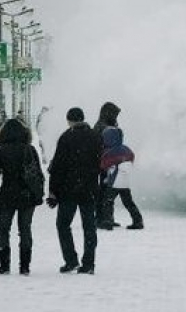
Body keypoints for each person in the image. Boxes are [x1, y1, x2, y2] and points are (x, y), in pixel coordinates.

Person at [0, 118, 45, 275]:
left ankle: (4, 264)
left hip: (7, 194)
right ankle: (25, 266)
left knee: (3, 230)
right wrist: (39, 194)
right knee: (25, 230)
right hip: (27, 195)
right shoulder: (29, 149)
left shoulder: (0, 151)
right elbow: (38, 173)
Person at [47, 107, 103, 274]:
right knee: (89, 227)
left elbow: (57, 166)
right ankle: (89, 263)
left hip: (68, 189)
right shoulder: (95, 136)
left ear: (69, 120)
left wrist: (53, 191)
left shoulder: (66, 137)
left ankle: (71, 260)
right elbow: (100, 162)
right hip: (89, 188)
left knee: (63, 225)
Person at [97, 126, 143, 230]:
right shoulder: (126, 149)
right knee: (128, 202)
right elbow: (131, 158)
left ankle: (107, 221)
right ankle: (138, 220)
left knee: (107, 201)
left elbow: (103, 165)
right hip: (125, 182)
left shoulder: (109, 152)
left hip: (114, 181)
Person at [93, 101, 121, 225]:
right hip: (104, 163)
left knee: (107, 190)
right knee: (105, 191)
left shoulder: (103, 125)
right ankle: (103, 218)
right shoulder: (102, 127)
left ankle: (105, 217)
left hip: (106, 162)